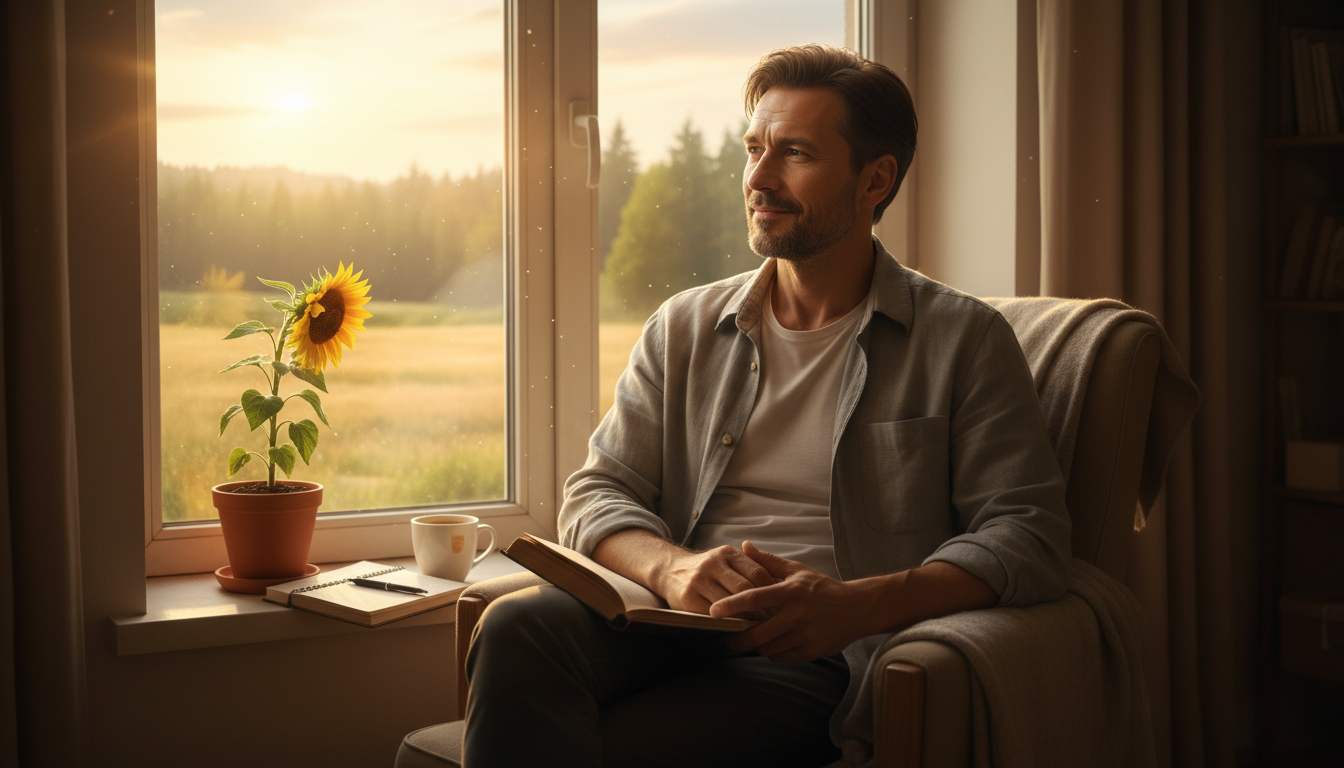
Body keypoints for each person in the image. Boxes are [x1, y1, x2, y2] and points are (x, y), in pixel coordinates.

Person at [462, 44, 1070, 767]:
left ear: (875, 179)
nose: (759, 178)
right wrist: (670, 571)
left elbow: (1027, 534)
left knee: (619, 745)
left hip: (818, 656)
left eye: (796, 154)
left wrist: (858, 605)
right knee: (514, 627)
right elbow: (599, 490)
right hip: (669, 623)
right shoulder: (684, 326)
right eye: (754, 149)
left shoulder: (962, 340)